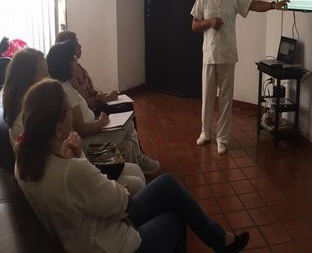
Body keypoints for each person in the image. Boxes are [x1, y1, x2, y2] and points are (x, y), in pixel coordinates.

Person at [15, 79, 250, 253]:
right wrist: (121, 190)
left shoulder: (24, 164)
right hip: (111, 244)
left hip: (85, 233)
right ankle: (219, 240)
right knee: (175, 219)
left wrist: (72, 157)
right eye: (68, 111)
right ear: (57, 129)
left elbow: (82, 195)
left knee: (167, 184)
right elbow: (119, 204)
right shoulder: (71, 171)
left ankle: (220, 240)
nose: (71, 117)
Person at [3, 48, 145, 192]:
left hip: (79, 164)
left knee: (135, 170)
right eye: (45, 74)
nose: (50, 78)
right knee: (137, 181)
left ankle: (140, 164)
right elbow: (59, 167)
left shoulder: (34, 109)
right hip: (78, 175)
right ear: (28, 79)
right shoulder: (26, 120)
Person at [191, 0, 291, 155]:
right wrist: (209, 22)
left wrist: (273, 5)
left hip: (228, 54)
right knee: (208, 97)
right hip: (210, 55)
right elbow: (194, 25)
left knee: (226, 100)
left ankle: (223, 139)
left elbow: (253, 4)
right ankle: (205, 133)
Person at [46, 40, 160, 175]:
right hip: (89, 141)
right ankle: (140, 162)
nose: (76, 62)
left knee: (128, 145)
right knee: (128, 123)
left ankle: (136, 168)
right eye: (73, 58)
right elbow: (82, 130)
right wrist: (101, 122)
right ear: (65, 63)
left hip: (94, 129)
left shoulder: (65, 86)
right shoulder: (66, 91)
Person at [55, 30, 118, 113]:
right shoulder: (69, 73)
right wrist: (108, 98)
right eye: (76, 44)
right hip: (90, 113)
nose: (80, 46)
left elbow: (91, 90)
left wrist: (100, 93)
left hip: (95, 107)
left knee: (126, 106)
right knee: (126, 108)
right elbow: (85, 103)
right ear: (68, 48)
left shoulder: (77, 66)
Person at [2, 48, 48, 149]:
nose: (49, 80)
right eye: (45, 75)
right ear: (28, 81)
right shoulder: (22, 124)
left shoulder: (36, 106)